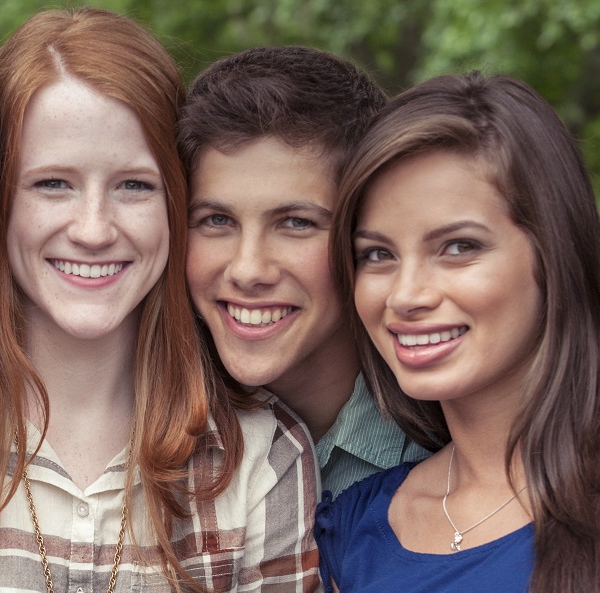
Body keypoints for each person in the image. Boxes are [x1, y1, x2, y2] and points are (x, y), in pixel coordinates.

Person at [0, 8, 319, 593]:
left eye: (134, 185)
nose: (94, 230)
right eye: (52, 183)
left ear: (176, 202)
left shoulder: (264, 452)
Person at [316, 72, 600, 592]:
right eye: (377, 255)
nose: (406, 295)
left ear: (554, 253)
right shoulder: (354, 529)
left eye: (459, 247)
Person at [177, 46, 429, 498]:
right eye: (217, 221)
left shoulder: (450, 444)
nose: (249, 269)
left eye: (296, 223)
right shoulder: (144, 428)